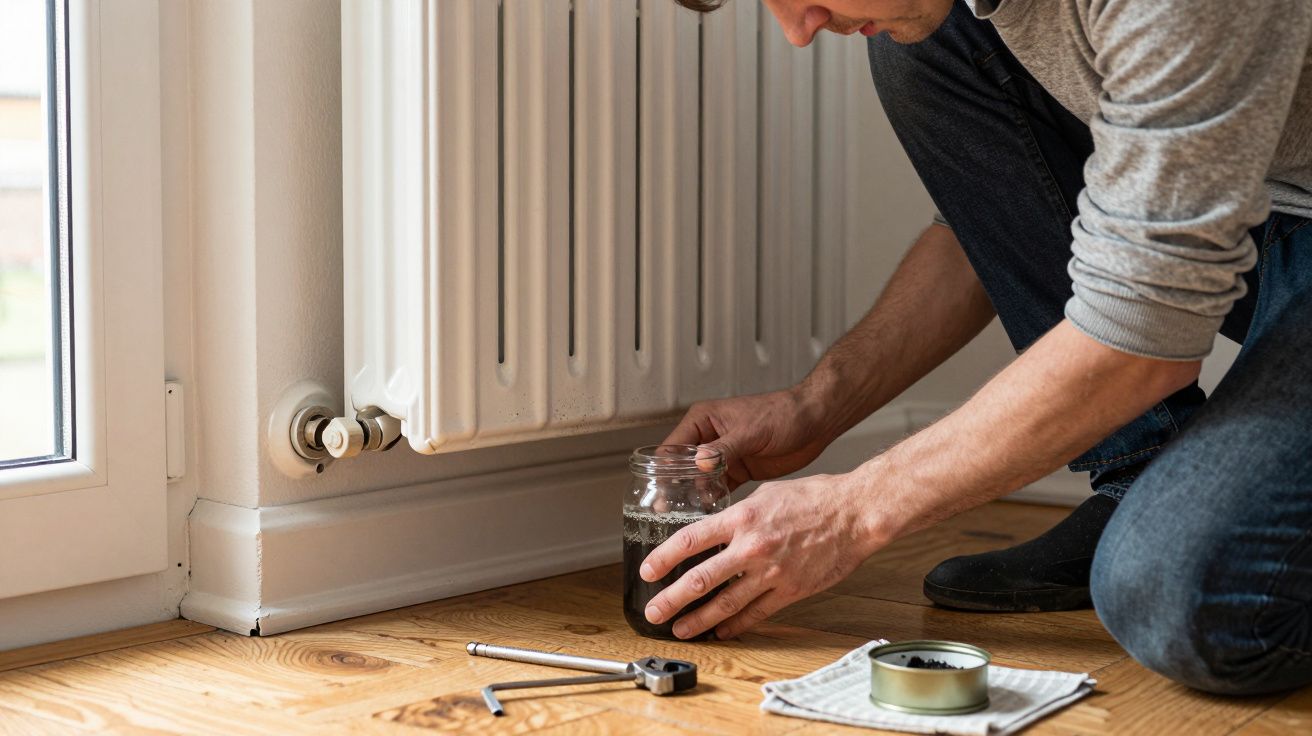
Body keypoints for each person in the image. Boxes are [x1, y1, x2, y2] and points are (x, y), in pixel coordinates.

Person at [641, 0, 1312, 695]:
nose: (796, 27)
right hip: (1254, 209)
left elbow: (1142, 328)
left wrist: (850, 512)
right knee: (925, 47)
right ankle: (1143, 482)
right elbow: (1004, 227)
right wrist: (815, 406)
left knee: (1186, 600)